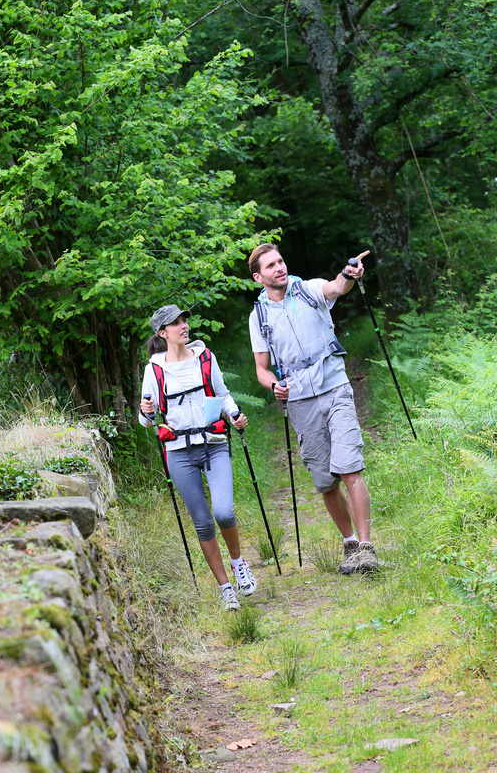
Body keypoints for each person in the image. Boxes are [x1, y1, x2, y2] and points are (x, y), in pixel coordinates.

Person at [248, 243, 378, 574]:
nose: (279, 267)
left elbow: (336, 286)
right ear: (258, 276)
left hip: (334, 385)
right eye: (271, 265)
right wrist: (273, 385)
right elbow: (262, 369)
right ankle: (349, 543)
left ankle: (366, 547)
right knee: (325, 481)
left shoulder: (306, 289)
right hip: (300, 400)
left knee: (349, 467)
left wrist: (349, 275)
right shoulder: (259, 316)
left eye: (281, 261)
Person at [139, 304, 257, 609]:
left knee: (224, 513)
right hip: (178, 452)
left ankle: (239, 564)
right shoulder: (154, 369)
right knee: (203, 523)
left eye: (184, 320)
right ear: (163, 334)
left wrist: (234, 414)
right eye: (175, 323)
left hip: (214, 443)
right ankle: (226, 588)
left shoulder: (205, 357)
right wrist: (146, 412)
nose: (183, 325)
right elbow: (147, 421)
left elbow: (223, 393)